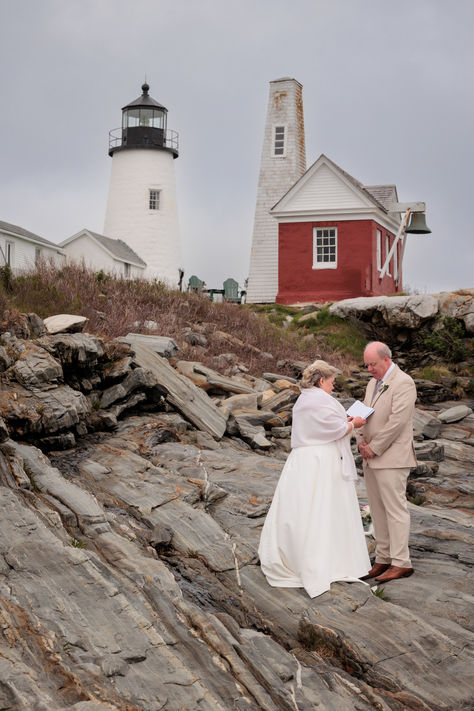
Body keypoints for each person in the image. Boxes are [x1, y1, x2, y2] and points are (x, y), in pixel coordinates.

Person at [258, 360, 370, 599]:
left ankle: (304, 553)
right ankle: (323, 558)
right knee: (322, 508)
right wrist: (353, 424)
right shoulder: (319, 399)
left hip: (304, 459)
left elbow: (324, 425)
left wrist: (346, 422)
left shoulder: (304, 399)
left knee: (304, 508)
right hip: (320, 460)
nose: (333, 387)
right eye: (331, 382)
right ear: (321, 381)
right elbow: (332, 428)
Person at [358, 342, 417, 583]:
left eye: (372, 364)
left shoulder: (404, 383)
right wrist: (361, 441)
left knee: (395, 510)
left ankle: (401, 562)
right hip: (370, 457)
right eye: (367, 365)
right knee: (377, 509)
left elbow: (397, 422)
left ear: (386, 359)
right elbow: (363, 413)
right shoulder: (373, 383)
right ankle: (383, 557)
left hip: (392, 457)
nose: (369, 369)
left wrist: (374, 447)